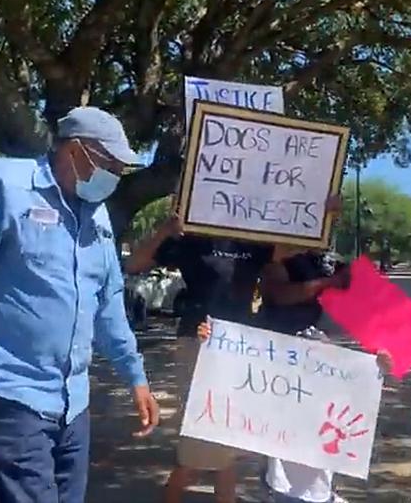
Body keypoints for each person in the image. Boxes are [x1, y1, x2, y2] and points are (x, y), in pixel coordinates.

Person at [0, 107, 160, 503]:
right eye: (111, 164)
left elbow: (108, 303)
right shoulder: (2, 185)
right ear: (75, 151)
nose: (116, 177)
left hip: (74, 403)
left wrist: (135, 376)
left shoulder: (97, 214)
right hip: (13, 393)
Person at [124, 214, 273, 503]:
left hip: (240, 347)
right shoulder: (192, 236)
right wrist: (165, 230)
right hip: (198, 341)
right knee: (199, 438)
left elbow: (297, 248)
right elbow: (134, 264)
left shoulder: (255, 236)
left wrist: (324, 216)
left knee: (227, 440)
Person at [257, 245, 389, 503]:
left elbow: (362, 299)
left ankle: (315, 491)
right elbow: (279, 293)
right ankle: (282, 491)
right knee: (283, 433)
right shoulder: (278, 254)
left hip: (315, 356)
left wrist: (381, 348)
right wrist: (328, 283)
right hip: (278, 355)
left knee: (319, 424)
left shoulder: (323, 259)